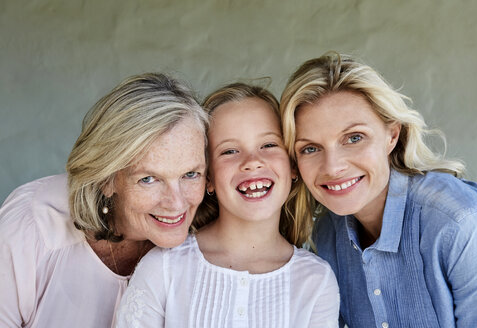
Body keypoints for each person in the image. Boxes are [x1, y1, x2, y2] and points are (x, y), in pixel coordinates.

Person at [279, 52, 477, 327]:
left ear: (392, 135)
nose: (332, 167)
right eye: (310, 148)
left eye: (353, 138)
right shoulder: (327, 235)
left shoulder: (459, 223)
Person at [115, 82, 340, 327]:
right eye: (230, 151)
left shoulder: (316, 280)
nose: (252, 162)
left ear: (292, 165)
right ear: (207, 177)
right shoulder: (165, 267)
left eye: (268, 145)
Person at [0, 73, 209, 327]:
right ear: (106, 179)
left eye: (190, 174)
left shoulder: (208, 244)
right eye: (149, 179)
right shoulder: (33, 226)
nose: (176, 203)